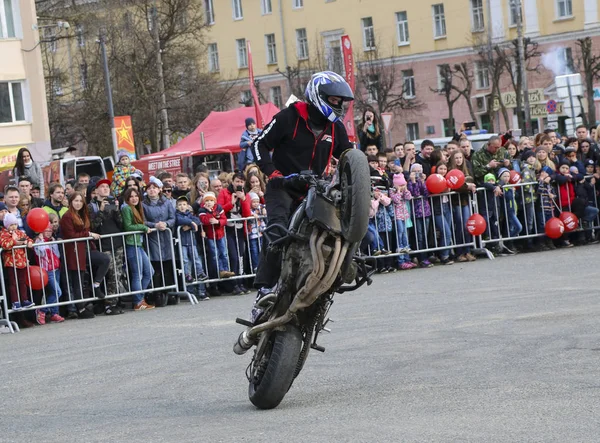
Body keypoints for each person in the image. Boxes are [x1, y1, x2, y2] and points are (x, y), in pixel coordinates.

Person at [248, 71, 354, 322]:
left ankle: (323, 289)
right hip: (283, 185)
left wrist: (373, 172)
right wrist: (271, 172)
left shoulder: (335, 128)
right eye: (335, 100)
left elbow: (349, 155)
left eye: (342, 101)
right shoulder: (289, 116)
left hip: (314, 190)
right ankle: (263, 291)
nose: (340, 105)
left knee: (336, 232)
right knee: (277, 229)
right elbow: (258, 144)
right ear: (319, 96)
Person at [59, 192, 110, 319]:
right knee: (78, 281)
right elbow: (71, 235)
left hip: (86, 249)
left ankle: (96, 285)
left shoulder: (82, 214)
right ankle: (80, 308)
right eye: (75, 201)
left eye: (80, 201)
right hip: (75, 251)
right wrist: (88, 234)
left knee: (104, 259)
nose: (78, 203)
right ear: (71, 202)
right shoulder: (67, 216)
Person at [89, 179, 125, 315]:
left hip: (117, 243)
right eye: (102, 186)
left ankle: (113, 303)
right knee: (112, 274)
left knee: (118, 274)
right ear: (96, 190)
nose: (105, 189)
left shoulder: (112, 202)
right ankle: (109, 304)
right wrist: (102, 211)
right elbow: (93, 226)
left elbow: (121, 224)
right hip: (104, 245)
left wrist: (116, 210)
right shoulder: (91, 207)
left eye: (107, 187)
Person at [142, 179, 176, 306]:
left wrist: (166, 224)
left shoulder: (166, 202)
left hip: (166, 237)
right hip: (153, 238)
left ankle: (169, 292)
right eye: (149, 188)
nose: (152, 190)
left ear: (159, 189)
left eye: (154, 188)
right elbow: (143, 221)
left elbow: (173, 218)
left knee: (167, 265)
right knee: (156, 265)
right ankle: (158, 294)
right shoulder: (143, 204)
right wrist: (155, 225)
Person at [121, 188, 156, 311]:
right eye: (131, 196)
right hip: (132, 244)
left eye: (136, 196)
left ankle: (139, 298)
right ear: (127, 198)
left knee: (149, 272)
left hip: (138, 244)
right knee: (138, 274)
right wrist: (144, 227)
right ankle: (138, 301)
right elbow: (128, 226)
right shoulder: (126, 208)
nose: (134, 198)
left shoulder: (137, 208)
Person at [217, 171, 251, 295]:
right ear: (232, 181)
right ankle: (234, 283)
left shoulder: (245, 194)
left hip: (240, 228)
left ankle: (241, 282)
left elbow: (247, 214)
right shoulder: (224, 192)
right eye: (237, 181)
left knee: (241, 256)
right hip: (228, 228)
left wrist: (243, 199)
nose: (239, 184)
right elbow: (219, 210)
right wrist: (231, 203)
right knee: (233, 256)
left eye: (241, 182)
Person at [175, 196, 209, 300]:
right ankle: (187, 275)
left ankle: (200, 273)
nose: (182, 206)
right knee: (185, 260)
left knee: (196, 259)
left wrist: (191, 225)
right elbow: (180, 220)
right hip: (183, 243)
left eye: (184, 204)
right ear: (176, 207)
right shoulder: (177, 215)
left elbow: (197, 220)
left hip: (192, 242)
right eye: (180, 204)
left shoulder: (190, 214)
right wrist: (191, 223)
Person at [0, 213, 35, 310]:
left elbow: (28, 238)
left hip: (22, 262)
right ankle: (15, 301)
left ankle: (24, 300)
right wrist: (14, 242)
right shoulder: (3, 234)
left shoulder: (20, 232)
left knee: (22, 282)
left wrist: (29, 242)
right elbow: (4, 244)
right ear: (6, 225)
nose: (14, 226)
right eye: (11, 225)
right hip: (11, 262)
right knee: (13, 283)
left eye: (15, 224)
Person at [198, 192, 235, 279]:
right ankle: (220, 270)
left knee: (224, 253)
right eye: (207, 200)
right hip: (211, 236)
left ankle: (226, 270)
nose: (209, 202)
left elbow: (224, 219)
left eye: (211, 200)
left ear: (214, 201)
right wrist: (210, 212)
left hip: (220, 234)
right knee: (215, 254)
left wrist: (218, 221)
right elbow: (206, 220)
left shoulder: (219, 207)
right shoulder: (202, 210)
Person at [33, 223, 65, 324]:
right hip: (47, 270)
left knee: (54, 292)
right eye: (46, 231)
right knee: (58, 292)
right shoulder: (38, 241)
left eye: (50, 231)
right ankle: (42, 310)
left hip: (56, 268)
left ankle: (54, 313)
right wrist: (42, 240)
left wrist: (53, 243)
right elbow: (40, 253)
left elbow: (57, 254)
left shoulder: (52, 240)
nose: (48, 233)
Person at [448, 151, 476, 262]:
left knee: (467, 225)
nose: (459, 160)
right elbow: (455, 185)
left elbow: (471, 180)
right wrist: (466, 186)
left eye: (460, 158)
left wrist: (465, 184)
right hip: (456, 202)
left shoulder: (466, 168)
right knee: (459, 225)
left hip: (465, 201)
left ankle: (467, 250)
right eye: (456, 158)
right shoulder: (450, 170)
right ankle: (460, 252)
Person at [407, 163, 433, 268]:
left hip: (426, 211)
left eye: (419, 171)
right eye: (415, 171)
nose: (417, 173)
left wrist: (422, 182)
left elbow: (426, 193)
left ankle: (425, 257)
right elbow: (415, 194)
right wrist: (414, 182)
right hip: (416, 212)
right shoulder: (409, 183)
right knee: (420, 236)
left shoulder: (423, 181)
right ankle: (422, 258)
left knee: (425, 235)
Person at [430, 162, 454, 265]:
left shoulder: (447, 180)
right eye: (441, 169)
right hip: (437, 209)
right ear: (436, 169)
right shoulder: (433, 179)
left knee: (447, 232)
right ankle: (444, 256)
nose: (443, 171)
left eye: (445, 169)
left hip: (446, 206)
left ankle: (445, 253)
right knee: (446, 232)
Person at [389, 174, 415, 270]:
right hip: (397, 216)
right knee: (399, 235)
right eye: (400, 185)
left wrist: (406, 189)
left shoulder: (404, 190)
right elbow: (395, 200)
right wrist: (398, 191)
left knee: (405, 236)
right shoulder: (392, 191)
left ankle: (407, 259)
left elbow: (408, 197)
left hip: (404, 215)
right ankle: (401, 261)